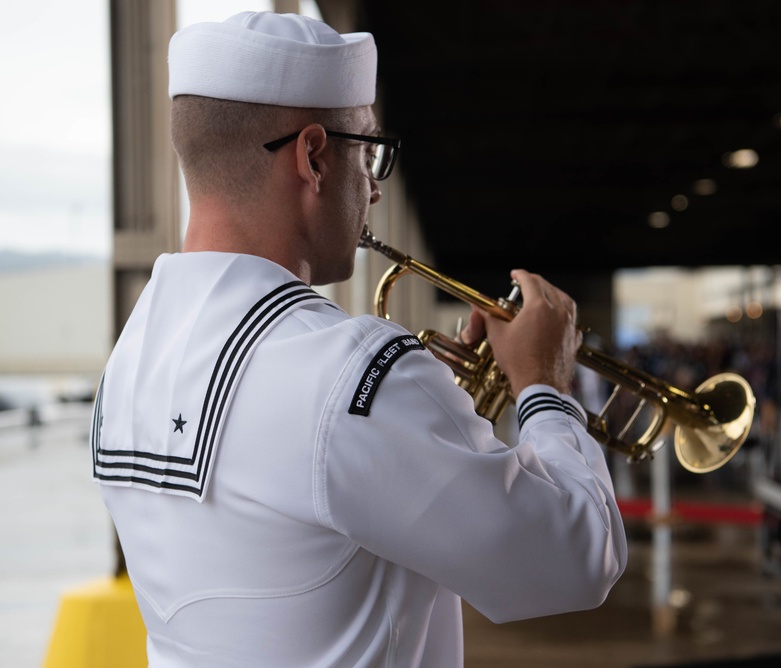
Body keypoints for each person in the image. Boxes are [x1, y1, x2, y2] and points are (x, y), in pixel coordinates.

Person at [90, 11, 626, 667]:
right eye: (366, 150)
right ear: (314, 156)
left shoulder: (131, 359)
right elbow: (574, 558)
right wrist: (545, 384)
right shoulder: (350, 369)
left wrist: (431, 412)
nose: (373, 189)